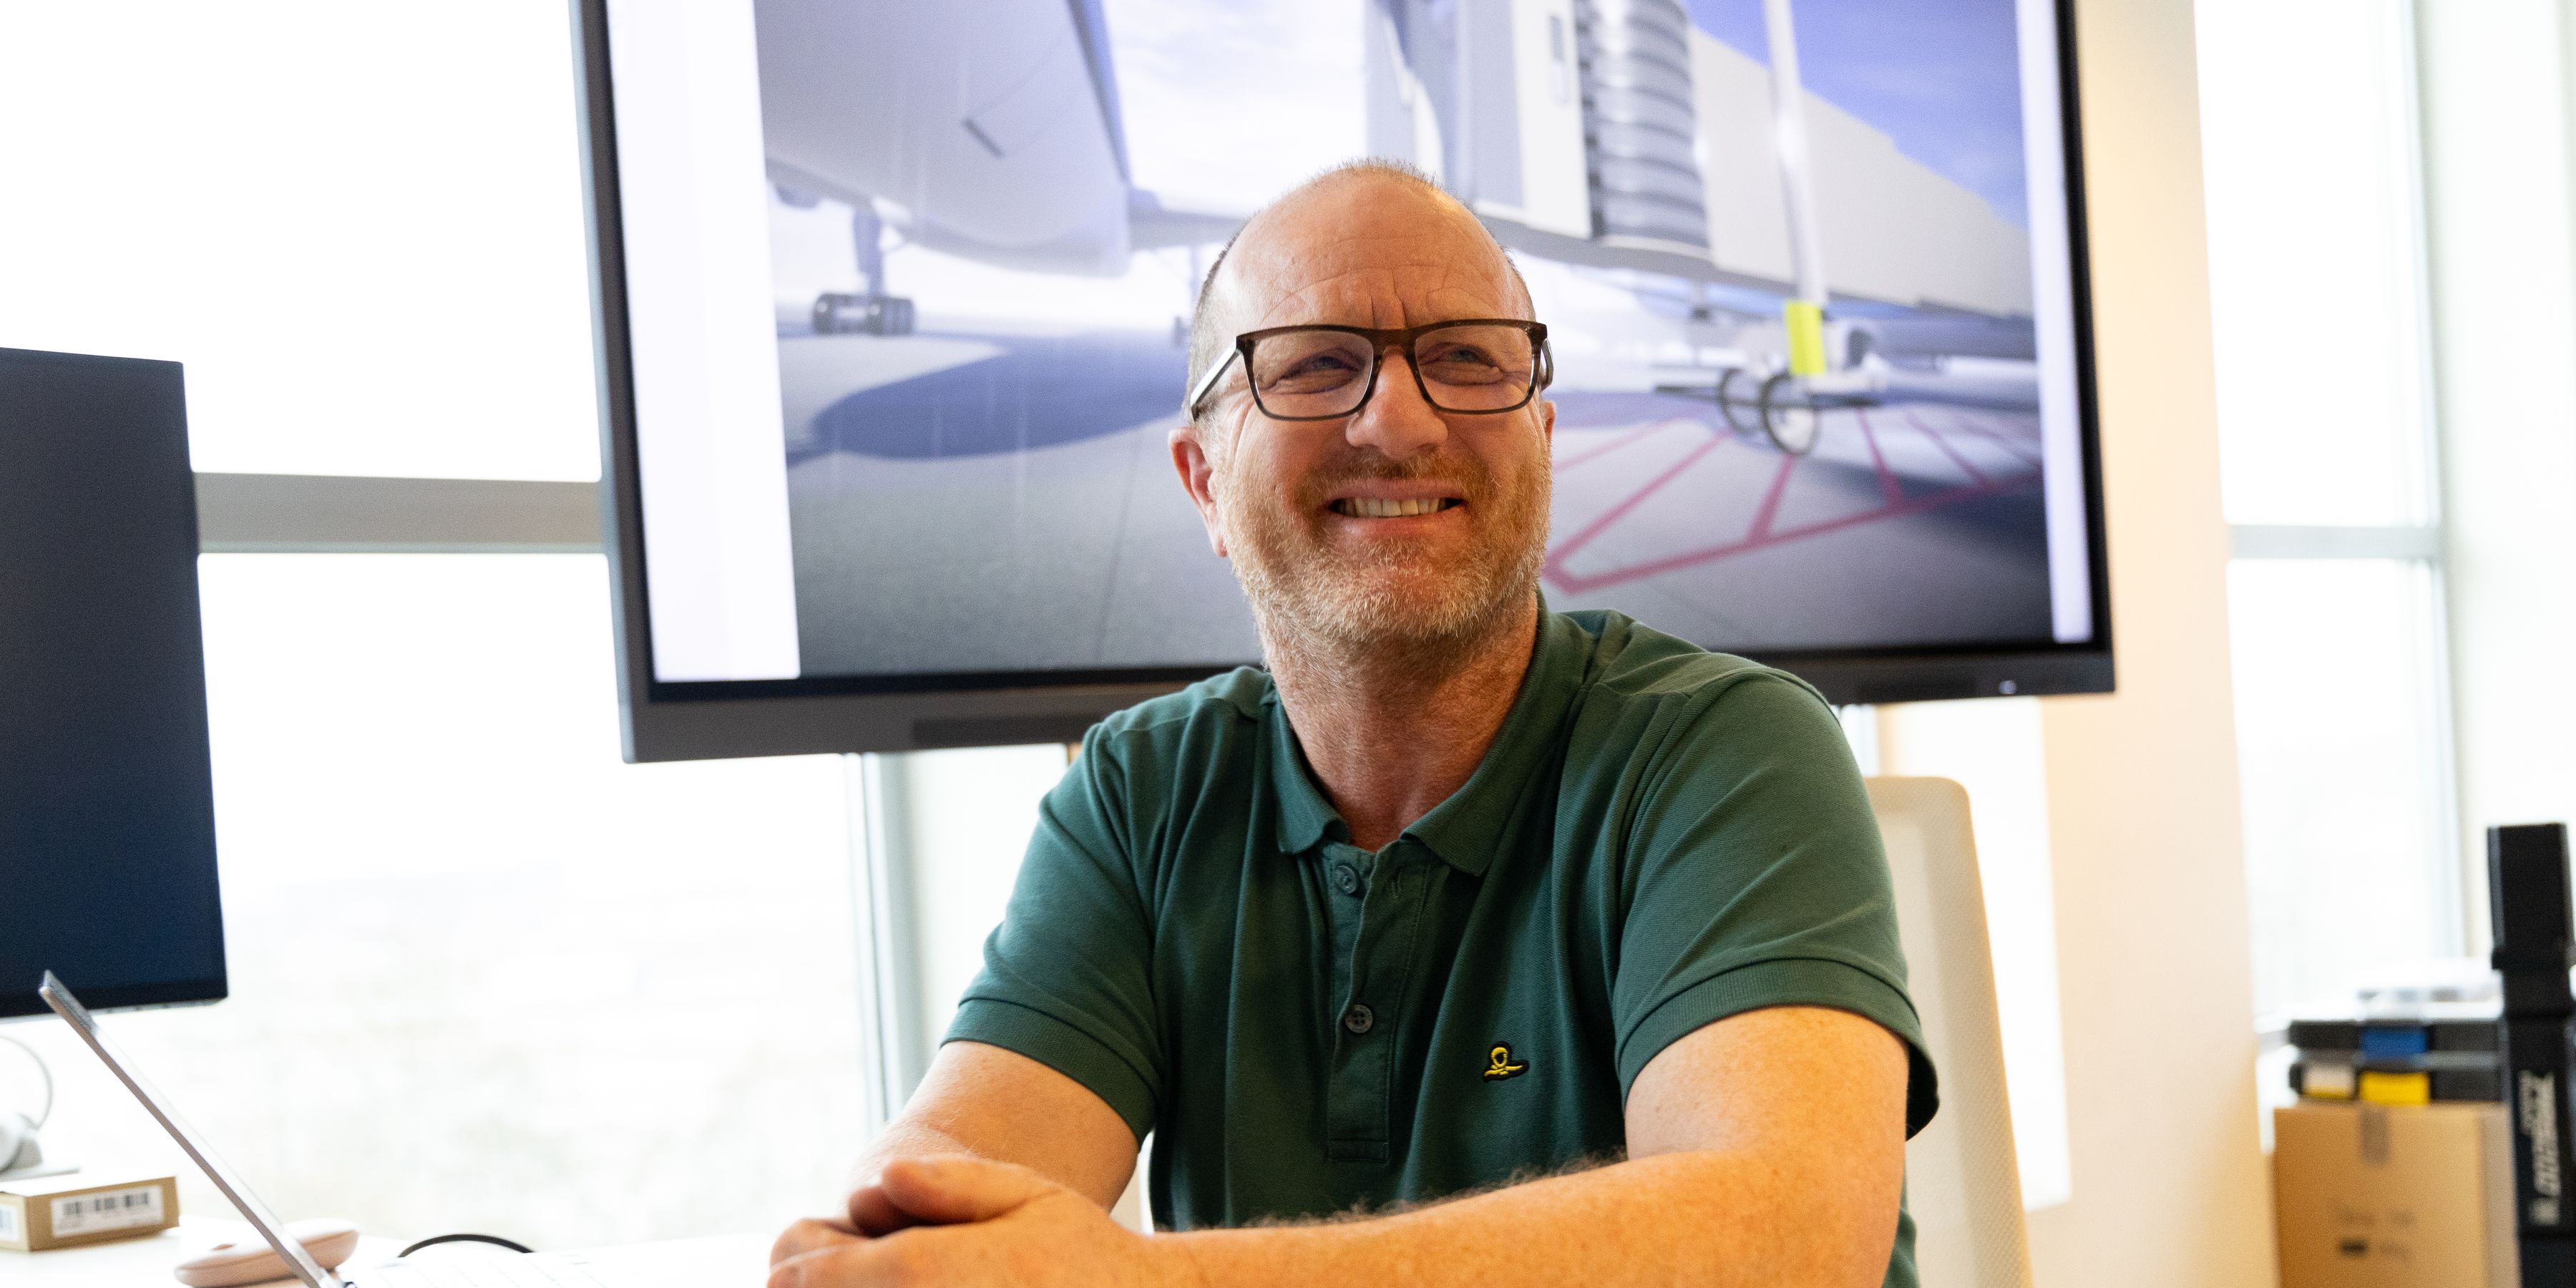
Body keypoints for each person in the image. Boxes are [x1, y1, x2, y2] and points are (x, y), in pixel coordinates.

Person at [769, 160, 1936, 1288]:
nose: (1400, 422)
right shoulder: (1140, 795)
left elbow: (1787, 1246)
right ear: (1202, 482)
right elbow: (945, 1181)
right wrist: (900, 1244)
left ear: (1541, 439)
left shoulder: (1730, 750)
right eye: (1316, 365)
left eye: (1467, 359)